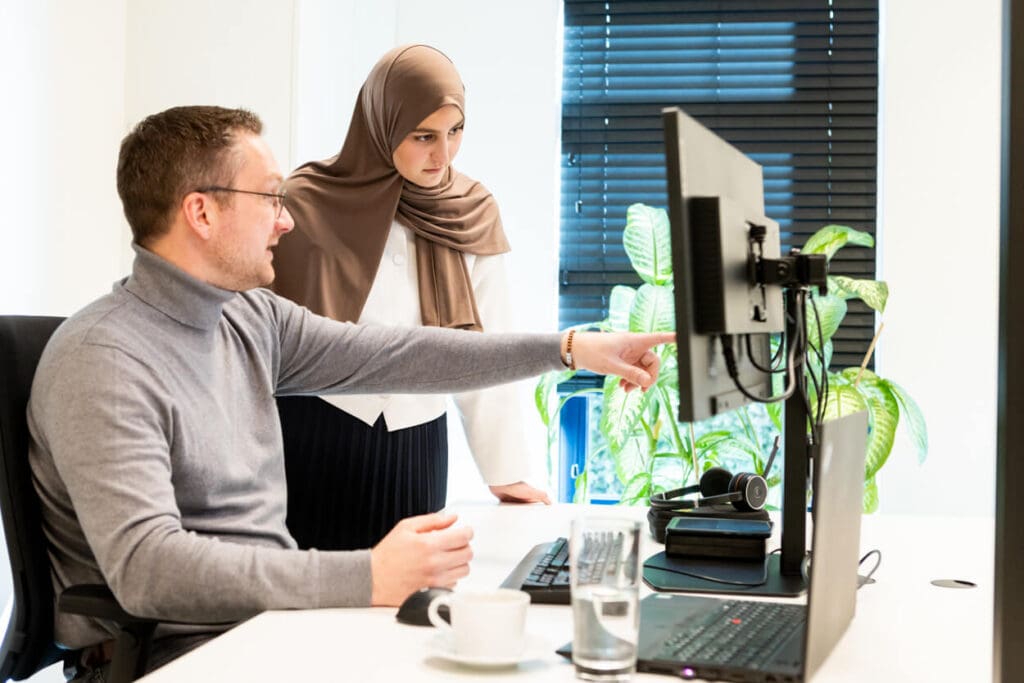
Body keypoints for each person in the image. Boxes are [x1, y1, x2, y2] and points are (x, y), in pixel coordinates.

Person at [27, 104, 674, 677]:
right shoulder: (104, 361)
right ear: (201, 211)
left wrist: (566, 349)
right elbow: (148, 570)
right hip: (183, 654)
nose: (285, 222)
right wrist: (368, 574)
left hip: (270, 628)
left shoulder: (248, 316)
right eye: (270, 198)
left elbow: (400, 352)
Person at [271, 44, 548, 552]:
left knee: (411, 604)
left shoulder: (470, 210)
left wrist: (504, 470)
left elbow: (487, 347)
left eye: (455, 132)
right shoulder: (304, 202)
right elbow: (258, 341)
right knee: (309, 605)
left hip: (417, 444)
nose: (443, 156)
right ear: (382, 122)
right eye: (424, 137)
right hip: (314, 436)